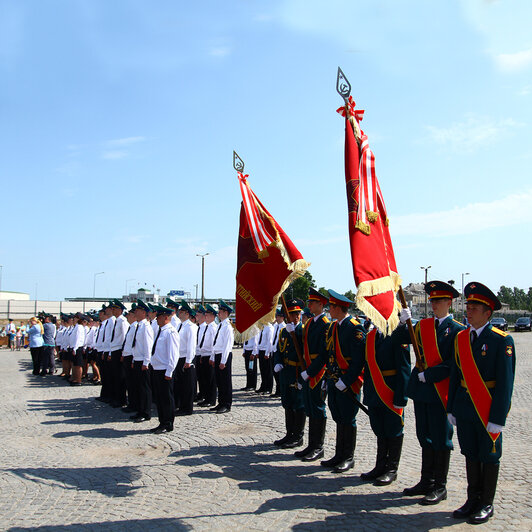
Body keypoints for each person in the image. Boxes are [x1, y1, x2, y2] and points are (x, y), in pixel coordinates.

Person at [447, 282, 515, 524]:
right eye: (468, 306)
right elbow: (456, 375)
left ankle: (486, 502)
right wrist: (451, 408)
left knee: (488, 456)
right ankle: (472, 499)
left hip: (486, 408)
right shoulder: (461, 338)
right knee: (470, 453)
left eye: (475, 307)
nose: (469, 310)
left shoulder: (501, 340)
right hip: (465, 406)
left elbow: (505, 384)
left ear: (488, 313)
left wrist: (498, 418)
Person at [400, 281, 466, 505]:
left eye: (439, 301)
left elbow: (454, 364)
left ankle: (440, 485)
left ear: (449, 303)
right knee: (424, 435)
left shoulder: (457, 330)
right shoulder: (422, 326)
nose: (434, 304)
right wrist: (401, 321)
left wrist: (431, 375)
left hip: (441, 391)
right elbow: (402, 339)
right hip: (422, 392)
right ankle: (426, 480)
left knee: (440, 438)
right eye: (433, 300)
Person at [319, 290, 365, 473]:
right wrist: (326, 378)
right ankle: (339, 454)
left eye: (331, 306)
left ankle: (348, 456)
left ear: (339, 308)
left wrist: (346, 381)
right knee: (338, 417)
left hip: (347, 382)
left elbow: (359, 360)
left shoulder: (354, 327)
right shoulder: (333, 327)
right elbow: (330, 354)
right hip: (333, 380)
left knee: (348, 418)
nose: (329, 309)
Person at [358, 325, 411, 485]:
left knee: (393, 429)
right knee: (379, 429)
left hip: (390, 391)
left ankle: (391, 469)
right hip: (374, 390)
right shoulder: (372, 335)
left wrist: (401, 397)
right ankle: (380, 465)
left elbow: (404, 367)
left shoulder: (397, 334)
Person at [298, 288, 331, 462]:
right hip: (308, 369)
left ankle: (318, 447)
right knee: (309, 407)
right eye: (309, 302)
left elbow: (324, 354)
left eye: (312, 302)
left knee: (318, 408)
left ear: (321, 304)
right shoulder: (310, 323)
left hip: (318, 371)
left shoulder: (326, 323)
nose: (309, 305)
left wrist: (309, 372)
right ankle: (311, 445)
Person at [273, 298, 306, 449]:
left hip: (298, 371)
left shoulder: (303, 330)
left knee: (298, 404)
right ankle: (289, 433)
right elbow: (279, 349)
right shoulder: (283, 331)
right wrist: (277, 362)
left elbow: (305, 351)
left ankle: (298, 436)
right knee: (287, 403)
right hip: (286, 371)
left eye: (296, 314)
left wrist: (297, 334)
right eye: (291, 314)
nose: (294, 317)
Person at [150, 304, 180, 434]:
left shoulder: (171, 332)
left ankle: (168, 423)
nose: (156, 319)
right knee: (159, 399)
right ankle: (162, 422)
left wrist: (169, 371)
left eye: (159, 317)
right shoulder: (161, 331)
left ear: (166, 317)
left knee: (166, 399)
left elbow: (174, 354)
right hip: (157, 368)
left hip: (164, 370)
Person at [130, 299, 154, 422]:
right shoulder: (139, 326)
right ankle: (140, 410)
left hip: (143, 361)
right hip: (137, 359)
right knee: (138, 387)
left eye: (138, 311)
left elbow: (148, 346)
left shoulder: (146, 327)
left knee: (144, 388)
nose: (136, 312)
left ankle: (146, 412)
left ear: (144, 313)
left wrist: (146, 361)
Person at [210, 300, 234, 414]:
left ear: (225, 312)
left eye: (220, 311)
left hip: (224, 356)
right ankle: (221, 402)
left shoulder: (228, 327)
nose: (218, 313)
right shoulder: (220, 325)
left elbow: (227, 346)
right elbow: (216, 344)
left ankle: (227, 404)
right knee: (219, 381)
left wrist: (223, 361)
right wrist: (214, 358)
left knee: (225, 381)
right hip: (218, 355)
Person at [174, 300, 197, 416]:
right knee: (180, 384)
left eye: (182, 312)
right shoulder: (180, 325)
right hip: (178, 357)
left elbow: (191, 345)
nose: (179, 313)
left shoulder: (191, 327)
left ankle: (187, 408)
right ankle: (182, 405)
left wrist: (189, 360)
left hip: (185, 358)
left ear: (187, 314)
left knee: (187, 385)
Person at [108, 300, 129, 407]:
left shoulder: (123, 321)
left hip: (120, 350)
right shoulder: (116, 321)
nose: (113, 311)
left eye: (115, 309)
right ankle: (116, 397)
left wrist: (123, 353)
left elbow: (125, 337)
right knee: (115, 376)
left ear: (120, 310)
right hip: (115, 350)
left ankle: (121, 399)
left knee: (120, 376)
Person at [270, 309, 286, 397]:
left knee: (279, 373)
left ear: (283, 317)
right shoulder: (276, 326)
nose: (277, 318)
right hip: (274, 351)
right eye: (277, 316)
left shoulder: (284, 327)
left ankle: (280, 390)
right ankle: (278, 390)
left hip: (279, 352)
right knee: (275, 372)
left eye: (279, 316)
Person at [255, 321, 274, 395]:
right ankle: (263, 386)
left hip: (266, 351)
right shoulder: (263, 327)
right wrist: (257, 352)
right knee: (262, 370)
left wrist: (267, 353)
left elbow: (270, 341)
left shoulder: (269, 328)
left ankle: (268, 388)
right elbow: (259, 340)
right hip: (261, 350)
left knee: (268, 371)